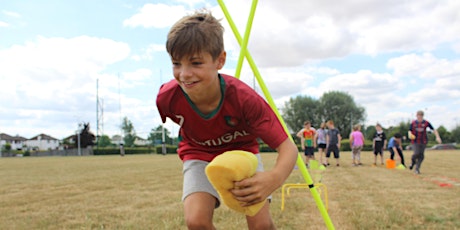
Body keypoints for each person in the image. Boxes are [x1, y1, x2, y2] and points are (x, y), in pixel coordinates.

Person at [156, 11, 298, 230]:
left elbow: (288, 148)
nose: (184, 74)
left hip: (242, 153)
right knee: (196, 222)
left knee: (261, 225)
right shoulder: (167, 98)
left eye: (195, 63)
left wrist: (273, 179)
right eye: (176, 63)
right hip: (198, 153)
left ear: (220, 60)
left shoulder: (245, 99)